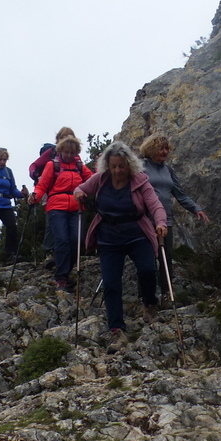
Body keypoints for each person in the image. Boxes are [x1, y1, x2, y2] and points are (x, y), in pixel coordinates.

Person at [74, 140, 168, 351]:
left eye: (121, 166)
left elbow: (155, 205)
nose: (117, 170)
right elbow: (80, 188)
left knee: (147, 270)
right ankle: (117, 331)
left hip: (137, 234)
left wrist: (161, 223)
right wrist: (79, 193)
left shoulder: (140, 181)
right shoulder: (100, 180)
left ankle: (150, 304)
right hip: (109, 238)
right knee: (111, 283)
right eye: (113, 166)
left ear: (129, 165)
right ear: (108, 165)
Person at [139, 135, 211, 302]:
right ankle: (145, 296)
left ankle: (166, 293)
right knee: (147, 259)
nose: (164, 152)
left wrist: (196, 208)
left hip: (166, 220)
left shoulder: (168, 170)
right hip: (145, 220)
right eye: (160, 148)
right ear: (150, 149)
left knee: (166, 257)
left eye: (166, 148)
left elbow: (180, 194)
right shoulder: (141, 167)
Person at [29, 135, 92, 290]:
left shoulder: (79, 165)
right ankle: (62, 277)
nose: (69, 155)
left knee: (76, 240)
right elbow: (42, 185)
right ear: (61, 151)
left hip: (76, 207)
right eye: (66, 152)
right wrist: (35, 197)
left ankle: (65, 270)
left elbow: (91, 180)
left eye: (72, 152)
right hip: (56, 207)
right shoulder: (52, 165)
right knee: (63, 239)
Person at [30, 127, 76, 268]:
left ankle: (59, 254)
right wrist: (39, 177)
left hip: (69, 196)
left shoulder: (74, 157)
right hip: (49, 191)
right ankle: (49, 251)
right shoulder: (52, 153)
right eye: (63, 138)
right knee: (52, 221)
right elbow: (34, 166)